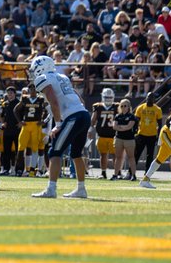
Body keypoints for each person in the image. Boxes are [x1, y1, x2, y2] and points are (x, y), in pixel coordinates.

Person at [28, 55, 91, 199]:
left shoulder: (42, 79)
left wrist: (58, 125)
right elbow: (79, 99)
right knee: (76, 154)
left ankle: (51, 189)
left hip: (73, 117)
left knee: (54, 152)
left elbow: (54, 102)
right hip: (83, 114)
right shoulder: (63, 77)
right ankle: (81, 189)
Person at [90, 88, 117, 179]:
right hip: (101, 135)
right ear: (102, 97)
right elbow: (93, 120)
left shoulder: (118, 106)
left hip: (114, 135)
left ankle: (117, 173)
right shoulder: (98, 106)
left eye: (110, 97)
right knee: (103, 155)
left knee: (115, 155)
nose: (108, 99)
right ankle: (103, 172)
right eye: (106, 97)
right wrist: (90, 130)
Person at [133, 93, 162, 173]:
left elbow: (160, 124)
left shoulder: (157, 109)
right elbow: (136, 122)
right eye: (148, 97)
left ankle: (147, 173)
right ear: (146, 98)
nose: (150, 99)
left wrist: (158, 136)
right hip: (141, 134)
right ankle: (131, 172)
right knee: (136, 154)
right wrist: (135, 134)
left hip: (152, 136)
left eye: (152, 97)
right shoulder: (140, 108)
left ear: (154, 99)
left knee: (150, 155)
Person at [112, 98, 138, 180]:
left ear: (129, 107)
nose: (123, 107)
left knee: (131, 157)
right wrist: (123, 127)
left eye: (125, 106)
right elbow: (114, 126)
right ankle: (116, 174)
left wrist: (121, 127)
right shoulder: (117, 116)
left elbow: (129, 126)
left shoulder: (132, 116)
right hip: (119, 138)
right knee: (118, 157)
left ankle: (133, 175)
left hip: (129, 139)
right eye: (121, 106)